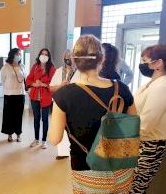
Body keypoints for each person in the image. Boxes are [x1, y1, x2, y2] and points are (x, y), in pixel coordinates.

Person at [48, 35, 137, 193]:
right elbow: (133, 126)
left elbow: (55, 139)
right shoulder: (122, 88)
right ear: (101, 59)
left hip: (87, 169)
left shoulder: (64, 95)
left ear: (74, 61)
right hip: (122, 166)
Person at [130, 45, 166, 193]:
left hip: (149, 144)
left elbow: (146, 123)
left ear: (158, 63)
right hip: (140, 141)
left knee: (136, 186)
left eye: (145, 61)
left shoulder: (162, 86)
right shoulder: (152, 84)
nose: (142, 64)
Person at [49, 50, 79, 160]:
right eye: (67, 57)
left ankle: (75, 149)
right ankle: (62, 152)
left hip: (74, 105)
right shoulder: (59, 71)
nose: (69, 59)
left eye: (71, 57)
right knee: (60, 126)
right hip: (59, 103)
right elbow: (51, 88)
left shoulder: (79, 72)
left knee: (73, 128)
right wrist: (61, 85)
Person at [26, 48, 55, 149]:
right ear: (39, 55)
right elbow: (28, 79)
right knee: (36, 119)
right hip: (34, 96)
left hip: (46, 97)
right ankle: (36, 139)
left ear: (48, 57)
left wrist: (43, 84)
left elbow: (53, 83)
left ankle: (44, 141)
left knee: (45, 119)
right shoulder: (35, 66)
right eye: (42, 54)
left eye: (46, 54)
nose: (44, 56)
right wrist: (34, 83)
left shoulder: (51, 68)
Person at [1, 48, 25, 142]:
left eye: (20, 54)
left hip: (20, 94)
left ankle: (18, 134)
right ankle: (9, 134)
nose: (19, 55)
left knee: (19, 115)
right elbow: (3, 80)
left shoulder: (22, 66)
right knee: (9, 115)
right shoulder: (5, 67)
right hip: (9, 95)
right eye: (17, 54)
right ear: (12, 55)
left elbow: (24, 79)